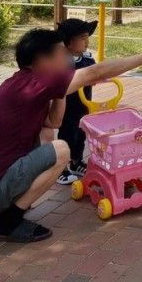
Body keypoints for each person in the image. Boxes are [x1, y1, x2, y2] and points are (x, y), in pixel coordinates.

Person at [0, 28, 142, 243]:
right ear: (42, 60)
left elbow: (53, 122)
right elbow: (95, 72)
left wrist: (62, 90)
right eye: (63, 54)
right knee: (61, 150)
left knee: (46, 135)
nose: (70, 60)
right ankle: (8, 222)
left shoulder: (23, 83)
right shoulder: (34, 84)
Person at [55, 18, 97, 184]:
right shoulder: (62, 63)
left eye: (88, 37)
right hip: (67, 107)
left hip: (83, 105)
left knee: (80, 134)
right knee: (66, 135)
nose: (87, 42)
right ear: (68, 43)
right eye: (82, 38)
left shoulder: (87, 59)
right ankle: (60, 168)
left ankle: (76, 161)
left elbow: (94, 75)